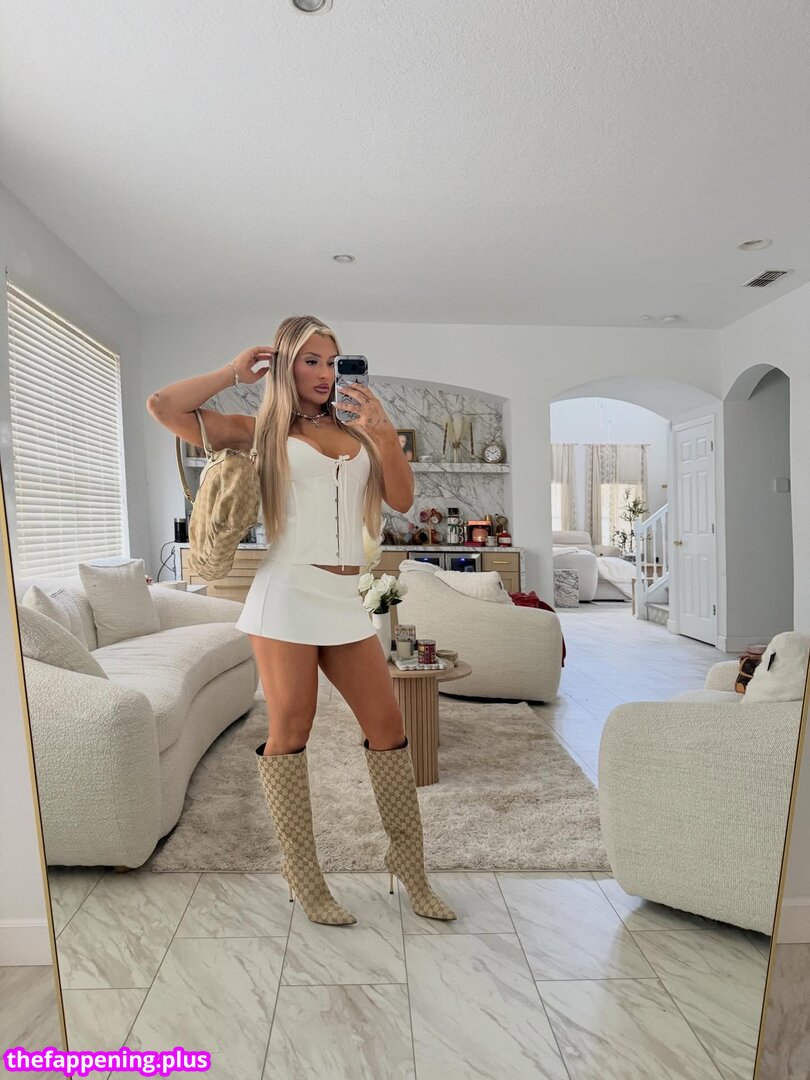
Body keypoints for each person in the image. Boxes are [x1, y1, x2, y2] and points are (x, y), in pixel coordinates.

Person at [146, 315, 456, 926]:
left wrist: (383, 431)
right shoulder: (260, 432)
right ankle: (303, 873)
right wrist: (233, 373)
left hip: (344, 599)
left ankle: (408, 864)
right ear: (285, 365)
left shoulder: (360, 431)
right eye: (310, 360)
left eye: (332, 361)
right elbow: (163, 406)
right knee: (292, 728)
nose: (323, 372)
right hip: (286, 593)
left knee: (389, 727)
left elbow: (400, 499)